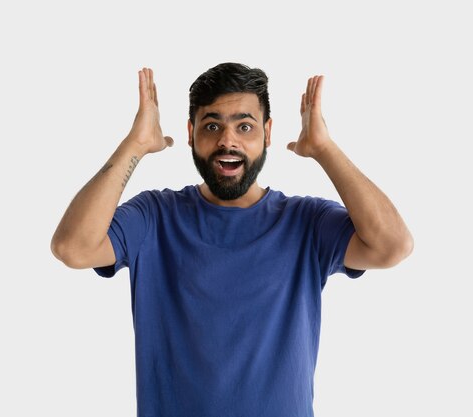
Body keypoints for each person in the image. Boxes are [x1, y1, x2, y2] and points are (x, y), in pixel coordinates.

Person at [51, 62, 413, 417]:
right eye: (212, 126)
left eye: (245, 126)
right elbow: (73, 247)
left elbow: (393, 246)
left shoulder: (307, 222)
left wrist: (324, 148)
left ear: (267, 134)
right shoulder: (154, 216)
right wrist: (135, 144)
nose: (228, 141)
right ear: (190, 133)